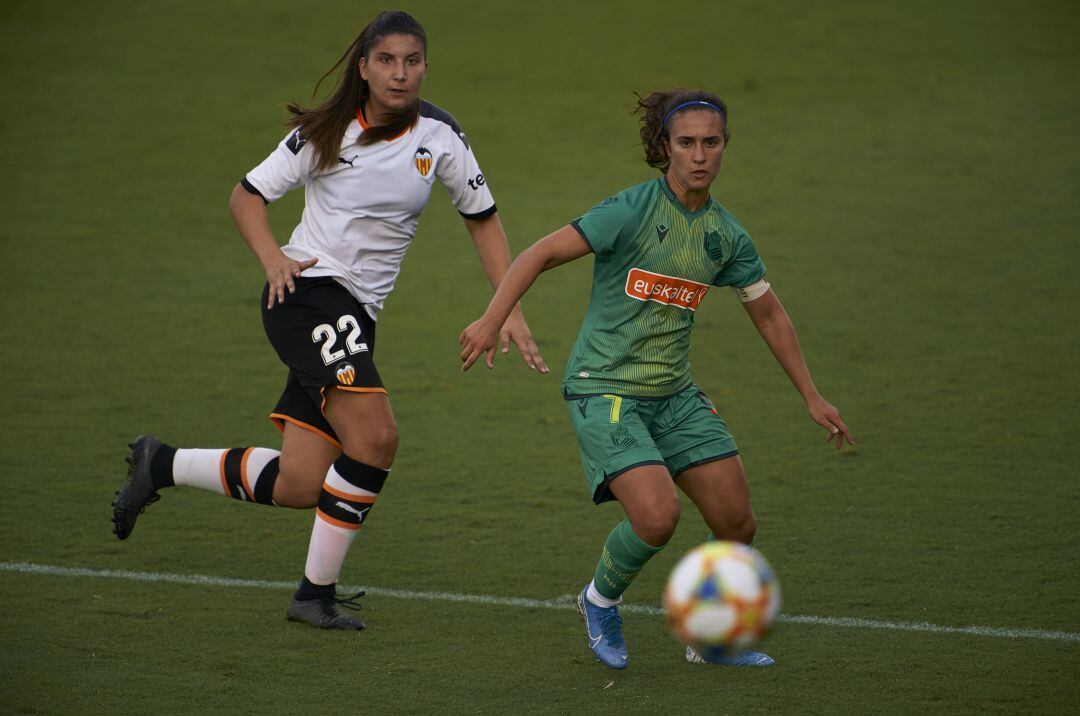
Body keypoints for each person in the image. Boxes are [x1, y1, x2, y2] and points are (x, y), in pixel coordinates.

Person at [110, 10, 547, 631]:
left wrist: (507, 309)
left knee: (300, 481)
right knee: (376, 438)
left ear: (426, 65)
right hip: (308, 293)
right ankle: (314, 594)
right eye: (388, 61)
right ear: (364, 67)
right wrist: (272, 259)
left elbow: (483, 219)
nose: (401, 74)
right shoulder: (326, 131)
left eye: (413, 61)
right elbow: (247, 196)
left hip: (356, 316)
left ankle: (161, 464)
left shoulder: (441, 136)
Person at [459, 89, 853, 669]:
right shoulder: (631, 210)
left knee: (737, 525)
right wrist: (493, 319)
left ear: (724, 147)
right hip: (604, 388)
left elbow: (767, 311)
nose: (699, 155)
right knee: (656, 516)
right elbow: (540, 253)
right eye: (687, 143)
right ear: (665, 146)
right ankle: (598, 601)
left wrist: (811, 395)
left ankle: (707, 636)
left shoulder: (726, 236)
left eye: (711, 143)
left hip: (673, 395)